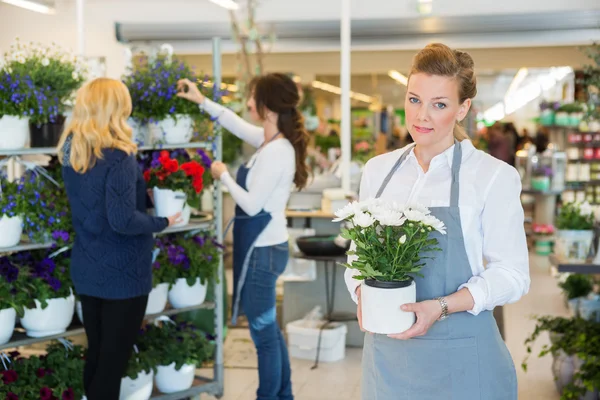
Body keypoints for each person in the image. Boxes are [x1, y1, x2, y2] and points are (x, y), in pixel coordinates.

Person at [344, 43, 530, 400]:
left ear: (462, 109)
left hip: (463, 360)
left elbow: (514, 276)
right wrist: (362, 295)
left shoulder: (492, 177)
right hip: (388, 359)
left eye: (439, 104)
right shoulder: (378, 171)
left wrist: (441, 306)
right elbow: (357, 258)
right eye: (414, 100)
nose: (421, 116)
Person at [177, 73, 309, 400]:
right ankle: (283, 395)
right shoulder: (271, 140)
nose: (248, 102)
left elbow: (251, 205)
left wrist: (223, 176)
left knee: (263, 335)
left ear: (267, 105)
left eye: (253, 97)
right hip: (266, 248)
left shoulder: (277, 151)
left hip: (262, 253)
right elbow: (233, 122)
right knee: (270, 333)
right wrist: (200, 100)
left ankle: (268, 396)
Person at [57, 78, 182, 400]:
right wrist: (163, 221)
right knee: (112, 365)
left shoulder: (73, 150)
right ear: (117, 109)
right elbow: (122, 219)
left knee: (98, 357)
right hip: (122, 274)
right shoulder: (120, 156)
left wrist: (141, 195)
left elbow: (98, 202)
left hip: (88, 268)